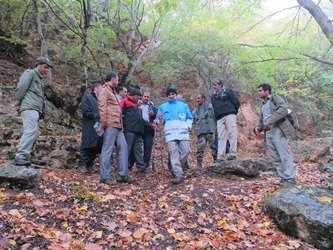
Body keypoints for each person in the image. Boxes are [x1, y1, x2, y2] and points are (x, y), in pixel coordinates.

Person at [254, 83, 296, 186]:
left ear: (267, 91)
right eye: (258, 91)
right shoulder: (262, 104)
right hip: (268, 133)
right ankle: (283, 178)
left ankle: (290, 178)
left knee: (284, 154)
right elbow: (262, 118)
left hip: (278, 130)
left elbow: (283, 110)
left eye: (260, 91)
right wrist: (258, 127)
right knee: (275, 156)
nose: (259, 93)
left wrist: (271, 121)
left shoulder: (275, 98)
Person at [14, 56, 52, 166]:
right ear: (38, 65)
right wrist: (18, 102)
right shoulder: (30, 73)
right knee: (30, 131)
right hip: (29, 107)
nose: (47, 69)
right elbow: (21, 88)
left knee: (32, 131)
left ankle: (23, 155)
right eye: (45, 67)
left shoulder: (39, 80)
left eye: (48, 68)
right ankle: (21, 155)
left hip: (34, 109)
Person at [96, 71, 133, 185]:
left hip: (118, 125)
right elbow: (102, 107)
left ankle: (122, 175)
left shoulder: (112, 91)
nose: (117, 81)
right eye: (117, 79)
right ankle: (104, 176)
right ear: (112, 79)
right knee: (107, 148)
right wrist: (103, 124)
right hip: (110, 124)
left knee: (123, 147)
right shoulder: (104, 89)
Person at [158, 85, 193, 184]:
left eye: (173, 94)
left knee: (186, 151)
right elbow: (158, 120)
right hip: (170, 133)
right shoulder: (162, 107)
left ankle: (177, 168)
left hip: (183, 132)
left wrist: (187, 127)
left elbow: (190, 118)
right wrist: (158, 119)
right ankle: (179, 174)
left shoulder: (183, 105)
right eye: (169, 94)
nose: (171, 96)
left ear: (176, 95)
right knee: (173, 154)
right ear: (167, 96)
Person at [211, 77, 240, 162]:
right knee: (221, 136)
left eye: (215, 85)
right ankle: (220, 156)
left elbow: (236, 102)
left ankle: (232, 153)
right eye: (213, 85)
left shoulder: (228, 91)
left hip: (229, 115)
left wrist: (233, 111)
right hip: (219, 118)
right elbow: (214, 107)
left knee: (232, 133)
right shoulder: (213, 96)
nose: (214, 86)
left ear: (220, 85)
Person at [120, 87, 146, 173]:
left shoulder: (138, 105)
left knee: (138, 150)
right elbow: (119, 114)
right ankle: (124, 168)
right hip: (129, 130)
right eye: (138, 96)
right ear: (133, 95)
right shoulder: (125, 101)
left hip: (139, 131)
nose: (139, 98)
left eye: (140, 96)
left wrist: (149, 124)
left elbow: (140, 119)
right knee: (127, 149)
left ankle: (141, 169)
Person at [78, 82, 102, 174]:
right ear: (96, 88)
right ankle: (82, 164)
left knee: (95, 146)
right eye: (101, 88)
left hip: (98, 127)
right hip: (89, 125)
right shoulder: (87, 97)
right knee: (87, 144)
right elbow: (85, 110)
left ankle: (89, 164)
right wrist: (96, 115)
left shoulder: (100, 100)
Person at [192, 93, 217, 170]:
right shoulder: (196, 110)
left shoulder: (211, 107)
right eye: (197, 98)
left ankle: (217, 163)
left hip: (211, 131)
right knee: (200, 149)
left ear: (203, 99)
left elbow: (216, 118)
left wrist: (216, 129)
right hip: (201, 132)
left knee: (214, 148)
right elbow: (192, 120)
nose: (197, 100)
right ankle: (199, 165)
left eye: (199, 98)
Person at [140, 91, 157, 169]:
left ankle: (145, 165)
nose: (146, 98)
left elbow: (156, 118)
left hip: (149, 129)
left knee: (148, 147)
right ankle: (137, 163)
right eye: (145, 96)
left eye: (148, 97)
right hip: (139, 128)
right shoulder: (137, 104)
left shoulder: (152, 106)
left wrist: (153, 116)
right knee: (137, 148)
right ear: (142, 96)